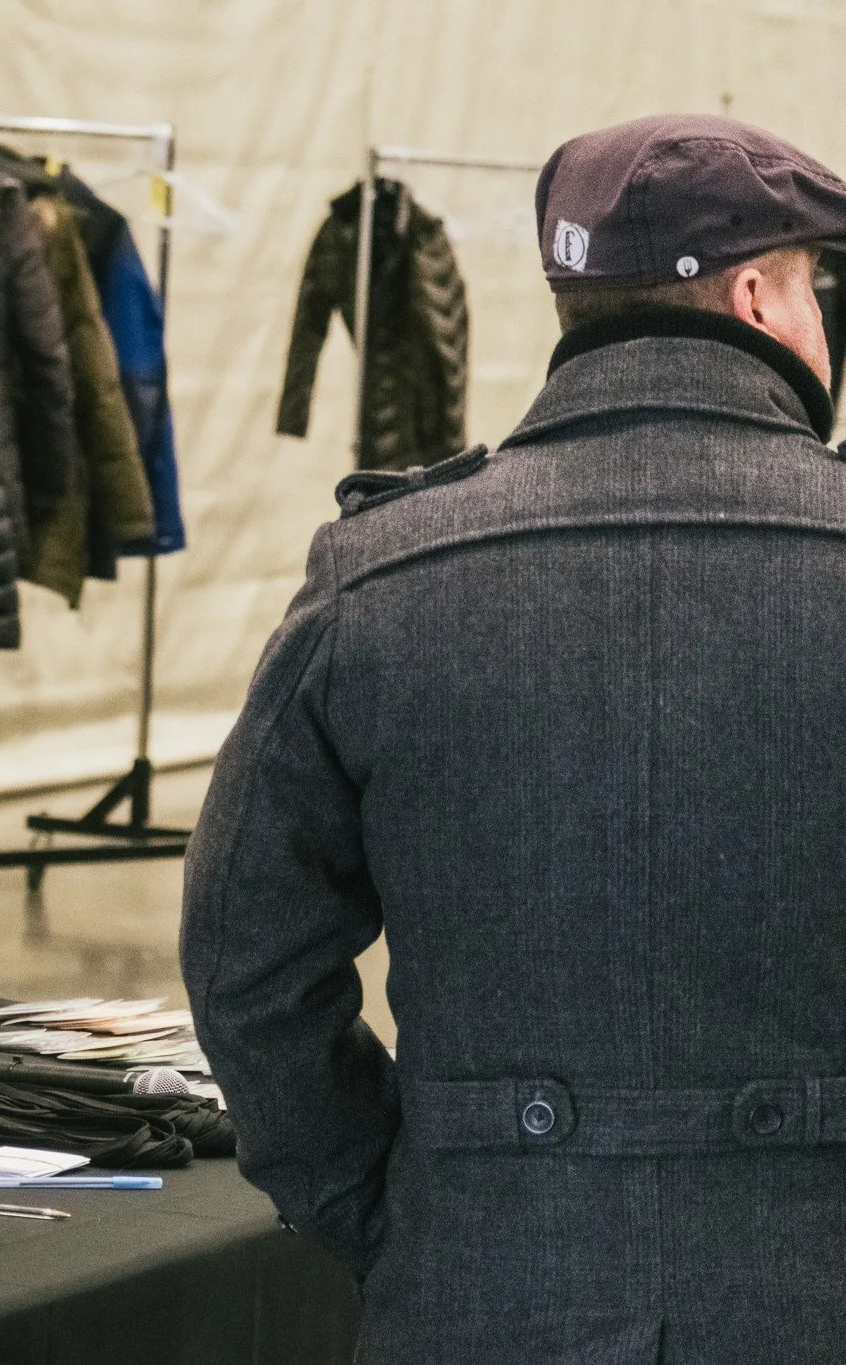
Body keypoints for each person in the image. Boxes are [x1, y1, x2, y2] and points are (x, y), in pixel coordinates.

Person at [183, 114, 846, 1363]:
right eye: (814, 288)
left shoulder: (378, 573)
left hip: (481, 1282)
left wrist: (378, 1205)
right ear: (756, 295)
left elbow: (242, 959)